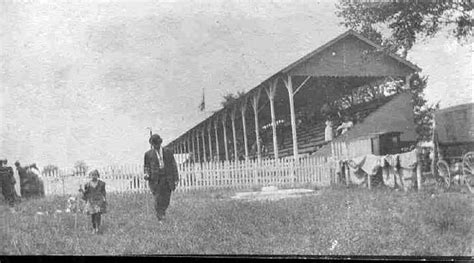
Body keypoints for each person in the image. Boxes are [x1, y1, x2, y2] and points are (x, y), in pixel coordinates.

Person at [144, 134, 179, 222]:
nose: (155, 146)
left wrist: (176, 178)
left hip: (167, 179)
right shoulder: (148, 154)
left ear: (160, 143)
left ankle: (163, 212)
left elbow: (173, 165)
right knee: (158, 198)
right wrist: (146, 174)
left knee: (166, 198)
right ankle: (160, 218)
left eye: (157, 144)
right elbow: (146, 166)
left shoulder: (168, 152)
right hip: (155, 180)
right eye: (153, 144)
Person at [80, 169, 107, 234]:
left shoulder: (101, 183)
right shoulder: (87, 184)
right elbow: (86, 193)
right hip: (91, 201)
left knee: (98, 215)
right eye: (92, 175)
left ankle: (98, 228)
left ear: (98, 175)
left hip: (99, 201)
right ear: (90, 176)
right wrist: (82, 191)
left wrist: (104, 199)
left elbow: (103, 192)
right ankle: (94, 228)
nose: (94, 176)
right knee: (93, 216)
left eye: (95, 175)